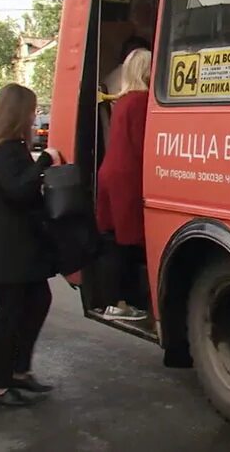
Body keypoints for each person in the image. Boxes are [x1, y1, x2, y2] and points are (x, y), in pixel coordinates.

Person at [0, 84, 61, 407]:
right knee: (11, 312)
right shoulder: (4, 147)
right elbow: (18, 189)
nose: (35, 115)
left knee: (36, 300)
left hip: (11, 241)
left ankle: (19, 372)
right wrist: (45, 160)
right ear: (18, 112)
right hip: (4, 244)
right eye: (32, 109)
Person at [95, 48, 151, 322]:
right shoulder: (141, 102)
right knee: (128, 242)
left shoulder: (124, 100)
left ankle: (115, 301)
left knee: (116, 241)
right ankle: (122, 302)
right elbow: (144, 147)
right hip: (127, 179)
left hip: (112, 174)